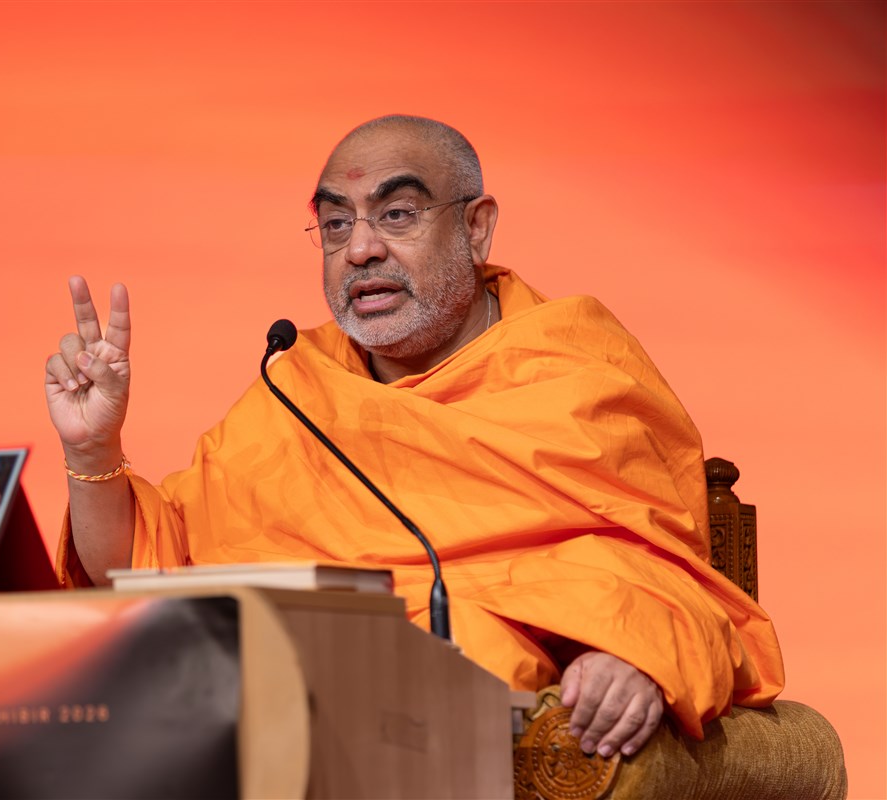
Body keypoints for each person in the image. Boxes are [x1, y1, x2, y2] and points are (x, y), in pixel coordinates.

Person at [43, 115, 785, 759]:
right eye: (336, 224)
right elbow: (146, 571)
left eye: (396, 214)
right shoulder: (298, 389)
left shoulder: (572, 373)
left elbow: (657, 572)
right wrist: (92, 450)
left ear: (475, 226)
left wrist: (630, 653)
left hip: (438, 723)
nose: (360, 250)